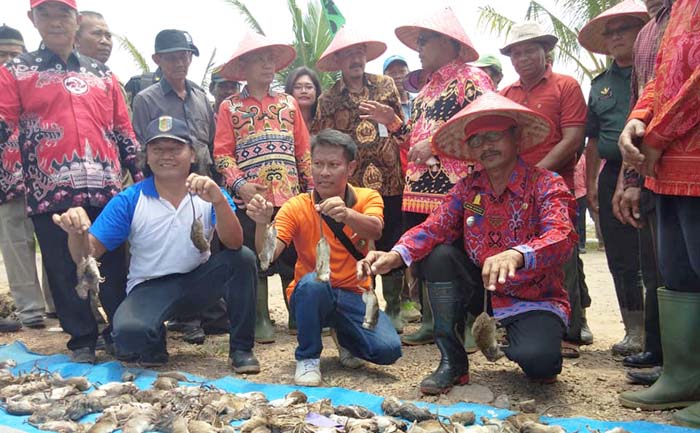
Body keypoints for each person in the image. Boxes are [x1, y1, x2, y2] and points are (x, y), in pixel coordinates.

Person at [359, 92, 576, 394]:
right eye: (476, 140)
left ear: (516, 138)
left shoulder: (546, 183)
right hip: (482, 291)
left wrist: (517, 254)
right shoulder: (468, 189)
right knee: (440, 255)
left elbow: (562, 236)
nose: (486, 146)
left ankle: (520, 342)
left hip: (533, 296)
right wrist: (396, 254)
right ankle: (453, 362)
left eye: (494, 136)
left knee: (539, 364)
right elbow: (435, 226)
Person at [52, 116, 259, 373]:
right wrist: (76, 233)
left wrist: (218, 201)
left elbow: (234, 242)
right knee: (130, 339)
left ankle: (241, 348)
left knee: (243, 259)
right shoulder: (130, 199)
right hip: (150, 287)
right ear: (146, 157)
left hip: (199, 282)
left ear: (192, 154)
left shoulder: (208, 191)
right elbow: (87, 254)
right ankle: (152, 341)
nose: (166, 156)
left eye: (175, 149)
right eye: (157, 149)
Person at [0, 0, 142, 363]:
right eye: (45, 14)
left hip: (106, 186)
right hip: (49, 190)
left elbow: (122, 128)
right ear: (32, 19)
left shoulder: (104, 75)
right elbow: (5, 126)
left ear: (76, 20)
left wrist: (139, 176)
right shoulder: (15, 71)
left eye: (63, 14)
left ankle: (119, 330)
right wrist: (16, 181)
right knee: (61, 266)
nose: (55, 22)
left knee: (112, 263)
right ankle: (81, 338)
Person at [362, 7, 494, 346]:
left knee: (462, 253)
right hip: (418, 188)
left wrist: (436, 147)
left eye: (425, 40)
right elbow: (412, 141)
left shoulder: (472, 80)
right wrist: (392, 121)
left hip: (460, 186)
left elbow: (485, 128)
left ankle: (465, 324)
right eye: (418, 41)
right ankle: (434, 322)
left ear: (449, 42)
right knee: (420, 257)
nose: (418, 48)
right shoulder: (424, 93)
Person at [246, 128, 401, 387]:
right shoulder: (296, 205)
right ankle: (307, 357)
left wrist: (347, 215)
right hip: (312, 293)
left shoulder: (367, 196)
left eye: (333, 165)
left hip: (356, 292)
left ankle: (345, 336)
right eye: (318, 164)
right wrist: (263, 224)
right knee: (313, 283)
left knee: (388, 350)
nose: (324, 172)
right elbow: (267, 256)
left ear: (350, 168)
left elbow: (375, 228)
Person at [617, 0, 700, 427]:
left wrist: (658, 132)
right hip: (665, 167)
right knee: (678, 273)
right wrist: (636, 119)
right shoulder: (671, 16)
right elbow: (660, 79)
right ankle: (684, 376)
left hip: (685, 152)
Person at [213, 31, 312, 344]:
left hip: (290, 195)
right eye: (259, 59)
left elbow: (303, 150)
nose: (267, 65)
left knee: (291, 255)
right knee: (253, 258)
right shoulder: (230, 107)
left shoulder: (289, 103)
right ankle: (260, 318)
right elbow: (221, 154)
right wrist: (239, 185)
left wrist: (311, 191)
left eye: (271, 59)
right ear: (244, 67)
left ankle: (297, 312)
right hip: (251, 198)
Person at [499, 21, 590, 354]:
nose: (522, 58)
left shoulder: (565, 86)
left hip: (556, 186)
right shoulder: (507, 95)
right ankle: (525, 324)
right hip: (515, 191)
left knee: (561, 255)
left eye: (529, 51)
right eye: (516, 53)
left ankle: (570, 329)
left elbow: (573, 138)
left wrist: (536, 174)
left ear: (545, 51)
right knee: (523, 257)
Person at [312, 27, 406, 333]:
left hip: (389, 177)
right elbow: (322, 140)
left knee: (391, 238)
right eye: (349, 54)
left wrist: (388, 118)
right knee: (357, 241)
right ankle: (365, 301)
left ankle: (395, 306)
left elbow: (401, 127)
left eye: (360, 52)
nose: (356, 59)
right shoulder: (328, 99)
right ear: (339, 60)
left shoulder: (386, 86)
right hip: (351, 184)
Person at [578, 0, 649, 357]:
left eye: (625, 28)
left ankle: (660, 333)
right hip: (609, 174)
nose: (617, 36)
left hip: (651, 168)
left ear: (645, 32)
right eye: (612, 31)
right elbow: (593, 139)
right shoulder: (600, 84)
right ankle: (634, 330)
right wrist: (590, 186)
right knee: (619, 256)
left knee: (654, 254)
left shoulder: (653, 72)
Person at [616, 0, 672, 385]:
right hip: (654, 165)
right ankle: (663, 352)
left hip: (684, 156)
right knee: (660, 264)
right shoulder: (650, 31)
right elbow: (641, 104)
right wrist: (631, 179)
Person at [0, 24, 54, 332]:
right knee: (16, 243)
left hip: (44, 176)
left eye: (14, 54)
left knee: (53, 239)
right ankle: (30, 310)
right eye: (2, 54)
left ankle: (58, 303)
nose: (8, 61)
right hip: (5, 181)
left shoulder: (38, 83)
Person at [132, 30, 215, 178]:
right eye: (171, 58)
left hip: (204, 181)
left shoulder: (202, 99)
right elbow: (142, 150)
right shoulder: (145, 100)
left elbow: (212, 145)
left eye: (184, 57)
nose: (179, 64)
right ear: (157, 59)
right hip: (165, 182)